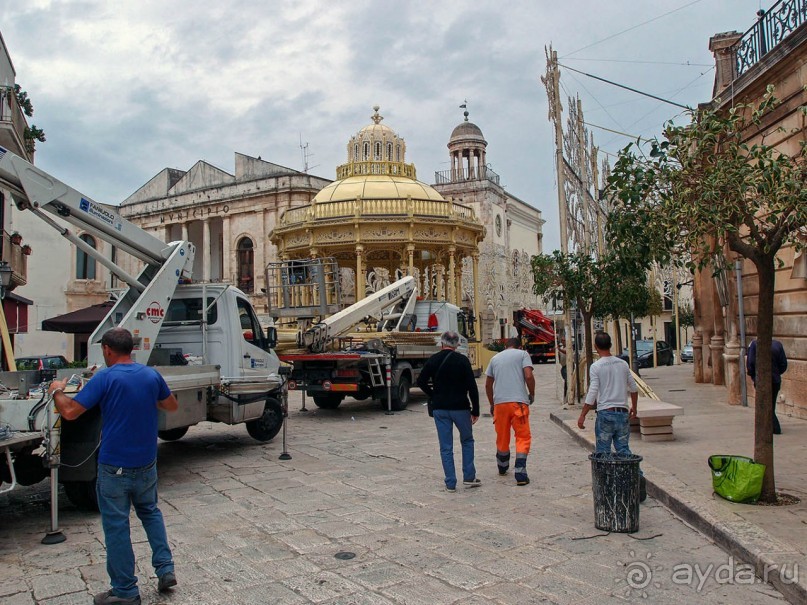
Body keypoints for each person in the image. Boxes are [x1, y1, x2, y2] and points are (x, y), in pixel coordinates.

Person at [48, 328, 179, 605]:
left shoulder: (104, 377)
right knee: (150, 512)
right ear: (130, 348)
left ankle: (125, 591)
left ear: (107, 349)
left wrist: (57, 391)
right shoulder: (150, 375)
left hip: (114, 467)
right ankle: (165, 569)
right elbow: (171, 405)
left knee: (117, 526)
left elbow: (70, 412)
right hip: (146, 464)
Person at [577, 331, 645, 501]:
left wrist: (583, 414)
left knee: (603, 452)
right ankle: (637, 477)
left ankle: (605, 487)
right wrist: (634, 408)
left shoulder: (596, 367)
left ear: (596, 347)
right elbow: (634, 388)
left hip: (606, 413)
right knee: (623, 450)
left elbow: (593, 391)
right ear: (610, 345)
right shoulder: (622, 364)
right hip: (622, 412)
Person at [417, 330, 481, 492]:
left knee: (446, 447)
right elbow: (472, 387)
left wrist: (433, 395)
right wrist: (476, 410)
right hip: (461, 407)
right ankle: (469, 476)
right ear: (457, 344)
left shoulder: (433, 360)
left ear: (442, 343)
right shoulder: (462, 361)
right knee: (467, 441)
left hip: (440, 408)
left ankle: (450, 482)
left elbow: (421, 381)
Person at [485, 337, 535, 486]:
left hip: (500, 404)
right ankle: (520, 471)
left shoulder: (494, 358)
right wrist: (531, 393)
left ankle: (502, 465)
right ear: (519, 346)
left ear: (505, 346)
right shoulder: (523, 355)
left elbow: (488, 385)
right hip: (518, 403)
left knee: (502, 436)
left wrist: (492, 403)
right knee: (523, 436)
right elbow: (528, 375)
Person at [747, 338, 788, 435]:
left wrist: (754, 376)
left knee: (765, 405)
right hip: (775, 380)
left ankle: (775, 428)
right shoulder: (778, 345)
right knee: (771, 404)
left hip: (762, 380)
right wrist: (776, 373)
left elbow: (750, 364)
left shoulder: (754, 344)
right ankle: (771, 427)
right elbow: (783, 364)